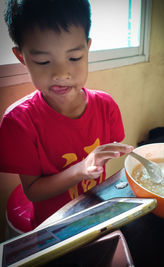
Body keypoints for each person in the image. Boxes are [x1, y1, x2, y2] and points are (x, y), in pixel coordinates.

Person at [0, 0, 133, 229]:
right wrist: (81, 169)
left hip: (94, 213)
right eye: (43, 61)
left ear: (87, 48)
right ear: (22, 57)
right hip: (53, 226)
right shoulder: (18, 123)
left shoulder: (106, 105)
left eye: (74, 58)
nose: (61, 73)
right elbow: (33, 192)